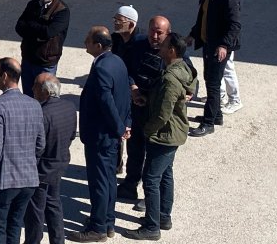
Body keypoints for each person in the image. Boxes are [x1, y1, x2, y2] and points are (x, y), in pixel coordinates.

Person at [126, 33, 196, 241]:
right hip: (173, 133)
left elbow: (163, 114)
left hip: (164, 135)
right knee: (165, 175)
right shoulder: (181, 68)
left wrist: (148, 130)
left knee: (151, 179)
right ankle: (163, 217)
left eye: (164, 45)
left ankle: (152, 226)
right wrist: (147, 99)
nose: (160, 47)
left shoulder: (170, 78)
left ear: (172, 50)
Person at [0, 57, 45, 244]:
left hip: (3, 182)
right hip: (28, 180)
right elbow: (40, 144)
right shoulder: (35, 104)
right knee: (14, 228)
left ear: (5, 76)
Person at [73, 26, 131, 242]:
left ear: (98, 45)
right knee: (108, 180)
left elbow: (107, 103)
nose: (84, 42)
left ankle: (97, 228)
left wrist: (118, 127)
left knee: (99, 181)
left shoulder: (102, 69)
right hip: (111, 134)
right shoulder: (117, 61)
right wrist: (125, 124)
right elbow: (125, 96)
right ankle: (108, 222)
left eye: (88, 40)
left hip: (101, 135)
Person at [114, 13, 173, 209]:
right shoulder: (138, 44)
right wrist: (132, 88)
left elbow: (189, 75)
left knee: (155, 158)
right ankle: (130, 185)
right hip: (137, 107)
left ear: (168, 34)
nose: (154, 36)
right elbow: (127, 70)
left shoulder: (173, 50)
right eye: (152, 31)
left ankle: (151, 198)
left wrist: (189, 92)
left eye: (159, 33)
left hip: (157, 114)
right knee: (134, 148)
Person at [187, 0, 241, 137]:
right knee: (209, 78)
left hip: (219, 47)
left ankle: (208, 123)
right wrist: (192, 35)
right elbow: (202, 18)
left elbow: (234, 25)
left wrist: (224, 45)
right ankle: (216, 116)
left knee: (213, 83)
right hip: (209, 44)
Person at [24, 74, 77, 244]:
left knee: (36, 210)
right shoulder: (69, 107)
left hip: (41, 169)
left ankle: (33, 240)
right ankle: (58, 240)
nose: (32, 89)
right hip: (59, 164)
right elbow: (70, 136)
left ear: (45, 91)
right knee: (53, 204)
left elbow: (36, 147)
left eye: (35, 87)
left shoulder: (41, 113)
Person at [14, 0, 70, 90]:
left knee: (45, 97)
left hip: (46, 63)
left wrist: (30, 25)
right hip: (28, 59)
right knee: (29, 97)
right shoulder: (32, 5)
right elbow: (19, 27)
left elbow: (48, 32)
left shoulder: (62, 11)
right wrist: (38, 31)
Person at [214, 0, 246, 115]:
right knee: (219, 66)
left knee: (227, 67)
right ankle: (219, 96)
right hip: (219, 33)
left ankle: (235, 100)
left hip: (227, 36)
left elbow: (235, 15)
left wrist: (227, 39)